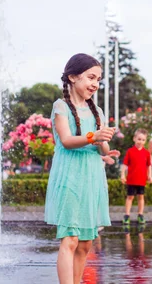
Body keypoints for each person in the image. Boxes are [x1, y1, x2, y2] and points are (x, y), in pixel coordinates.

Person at [44, 53, 119, 284]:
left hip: (92, 177)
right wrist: (93, 136)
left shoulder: (97, 111)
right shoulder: (61, 106)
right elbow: (66, 140)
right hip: (69, 176)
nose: (95, 83)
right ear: (73, 77)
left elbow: (101, 146)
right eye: (91, 77)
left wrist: (106, 148)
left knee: (86, 242)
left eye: (98, 79)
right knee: (70, 239)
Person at [121, 128, 152, 225]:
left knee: (141, 197)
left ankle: (140, 215)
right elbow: (125, 164)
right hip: (131, 179)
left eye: (143, 140)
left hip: (141, 180)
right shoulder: (130, 151)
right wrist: (123, 174)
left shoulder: (146, 153)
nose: (140, 141)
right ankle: (127, 215)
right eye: (139, 139)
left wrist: (150, 176)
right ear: (134, 139)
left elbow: (149, 165)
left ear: (145, 141)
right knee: (130, 197)